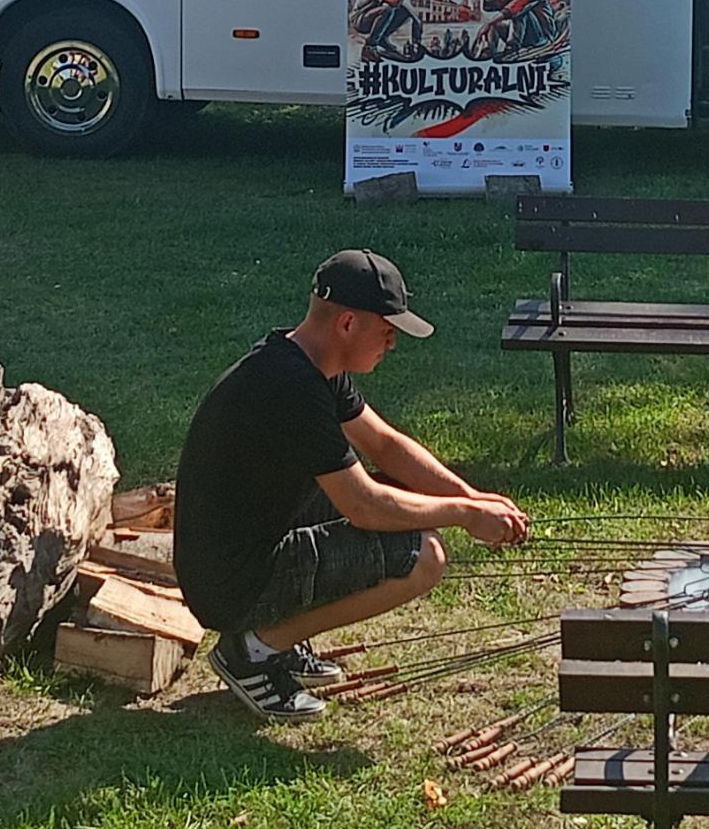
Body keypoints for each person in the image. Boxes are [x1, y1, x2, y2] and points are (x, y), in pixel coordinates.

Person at [174, 249, 532, 724]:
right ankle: (254, 650)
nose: (392, 344)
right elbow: (362, 506)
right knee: (424, 558)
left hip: (244, 547)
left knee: (402, 494)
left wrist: (471, 498)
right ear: (347, 324)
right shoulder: (293, 388)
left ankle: (273, 640)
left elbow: (384, 446)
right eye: (387, 330)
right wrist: (464, 516)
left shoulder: (306, 362)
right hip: (229, 582)